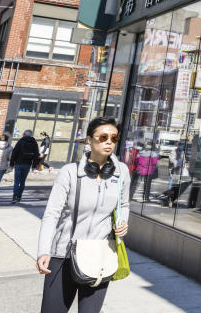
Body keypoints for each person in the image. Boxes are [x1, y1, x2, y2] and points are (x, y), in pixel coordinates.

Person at [37, 116, 129, 313]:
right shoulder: (69, 172)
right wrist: (44, 250)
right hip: (64, 255)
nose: (109, 142)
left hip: (100, 255)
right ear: (89, 140)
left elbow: (125, 204)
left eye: (114, 138)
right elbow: (52, 213)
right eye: (103, 137)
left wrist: (123, 223)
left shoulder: (121, 172)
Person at [10, 129, 41, 203]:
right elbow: (36, 155)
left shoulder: (20, 142)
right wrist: (34, 166)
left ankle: (14, 196)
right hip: (27, 164)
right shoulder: (34, 143)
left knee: (17, 181)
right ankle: (19, 197)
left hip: (18, 163)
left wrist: (12, 163)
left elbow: (14, 153)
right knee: (23, 181)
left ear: (24, 134)